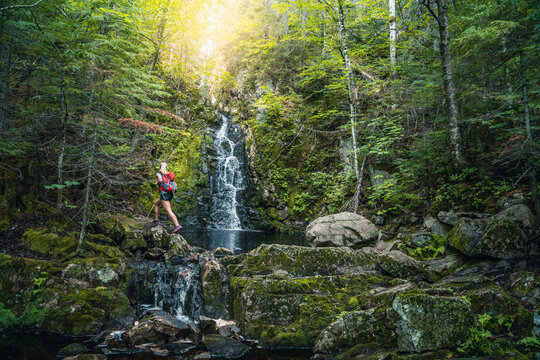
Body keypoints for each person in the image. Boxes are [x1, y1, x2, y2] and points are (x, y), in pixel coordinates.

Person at [154, 162, 182, 233]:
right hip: (170, 193)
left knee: (169, 211)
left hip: (164, 194)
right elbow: (175, 184)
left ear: (160, 167)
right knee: (157, 203)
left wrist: (157, 182)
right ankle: (156, 219)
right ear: (166, 167)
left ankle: (177, 225)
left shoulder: (159, 174)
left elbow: (160, 180)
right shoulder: (170, 174)